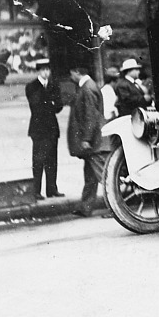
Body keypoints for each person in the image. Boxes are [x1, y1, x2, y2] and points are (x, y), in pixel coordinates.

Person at [67, 66, 111, 217]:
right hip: (96, 140)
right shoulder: (89, 86)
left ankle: (117, 207)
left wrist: (86, 139)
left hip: (94, 142)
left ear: (77, 72)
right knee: (91, 175)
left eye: (71, 73)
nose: (71, 76)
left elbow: (90, 115)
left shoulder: (87, 88)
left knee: (103, 176)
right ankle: (85, 207)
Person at [25, 58, 65, 200]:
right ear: (38, 71)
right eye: (43, 70)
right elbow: (36, 106)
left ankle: (52, 189)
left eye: (48, 70)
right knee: (38, 160)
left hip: (52, 128)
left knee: (52, 160)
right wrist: (50, 103)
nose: (46, 72)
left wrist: (48, 103)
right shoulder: (32, 86)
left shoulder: (53, 85)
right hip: (39, 129)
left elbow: (59, 105)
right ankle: (36, 191)